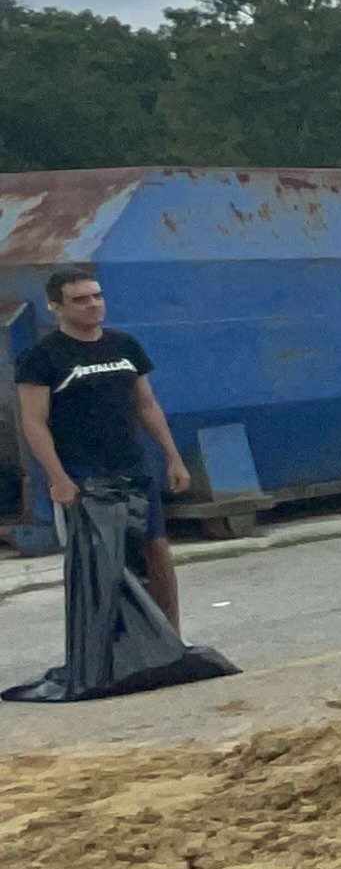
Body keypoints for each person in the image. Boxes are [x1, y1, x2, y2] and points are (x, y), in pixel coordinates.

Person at [14, 263, 193, 626]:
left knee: (156, 551)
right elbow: (34, 422)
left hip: (133, 466)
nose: (93, 305)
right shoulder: (42, 357)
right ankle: (111, 650)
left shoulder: (125, 346)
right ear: (56, 307)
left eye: (97, 296)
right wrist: (58, 478)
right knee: (101, 562)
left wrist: (173, 457)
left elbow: (147, 405)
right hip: (85, 474)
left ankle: (170, 640)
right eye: (80, 300)